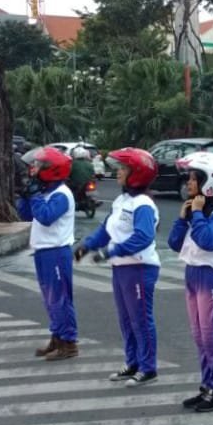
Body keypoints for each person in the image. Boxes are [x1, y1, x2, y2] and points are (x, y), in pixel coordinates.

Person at [74, 148, 161, 387]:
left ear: (137, 173)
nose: (118, 172)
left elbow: (143, 237)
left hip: (139, 267)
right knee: (126, 319)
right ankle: (132, 363)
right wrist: (87, 246)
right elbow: (105, 230)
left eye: (123, 169)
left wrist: (110, 251)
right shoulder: (122, 201)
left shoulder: (143, 204)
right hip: (121, 268)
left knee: (140, 320)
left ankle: (148, 368)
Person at [168, 151, 213, 413]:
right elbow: (175, 243)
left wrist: (196, 215)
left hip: (212, 276)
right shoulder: (197, 208)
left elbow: (208, 241)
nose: (188, 183)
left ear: (211, 181)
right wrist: (182, 217)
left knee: (212, 335)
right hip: (193, 274)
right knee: (199, 336)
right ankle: (207, 385)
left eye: (194, 178)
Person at [16, 146, 79, 361]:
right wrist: (26, 196)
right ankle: (57, 336)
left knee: (60, 299)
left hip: (56, 252)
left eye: (40, 165)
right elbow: (26, 215)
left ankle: (69, 343)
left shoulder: (61, 195)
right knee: (50, 300)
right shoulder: (47, 192)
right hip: (43, 251)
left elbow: (45, 216)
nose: (35, 169)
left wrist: (34, 195)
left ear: (52, 170)